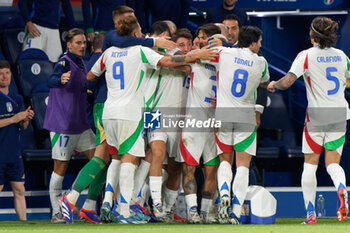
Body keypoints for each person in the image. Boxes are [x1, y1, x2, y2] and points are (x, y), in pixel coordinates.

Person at [76, 16, 216, 224]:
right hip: (150, 111)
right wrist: (195, 55)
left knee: (144, 160)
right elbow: (172, 63)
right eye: (176, 41)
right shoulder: (149, 52)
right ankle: (133, 204)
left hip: (167, 115)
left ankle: (119, 203)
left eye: (187, 44)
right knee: (148, 155)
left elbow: (89, 76)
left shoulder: (112, 52)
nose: (183, 47)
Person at [267, 16, 350, 224]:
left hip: (317, 116)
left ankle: (311, 214)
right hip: (340, 113)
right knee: (332, 163)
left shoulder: (306, 55)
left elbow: (287, 82)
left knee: (310, 165)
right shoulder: (342, 56)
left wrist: (273, 84)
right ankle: (341, 188)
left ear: (313, 35)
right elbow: (348, 81)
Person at [215, 26, 269, 224]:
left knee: (224, 162)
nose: (261, 45)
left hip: (223, 113)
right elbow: (264, 82)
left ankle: (223, 196)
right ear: (253, 43)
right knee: (243, 166)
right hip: (245, 116)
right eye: (260, 42)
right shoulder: (261, 62)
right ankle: (236, 211)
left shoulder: (224, 53)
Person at [44, 28, 96, 224]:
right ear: (69, 44)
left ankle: (70, 196)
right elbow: (51, 79)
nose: (83, 46)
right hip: (62, 125)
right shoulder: (64, 61)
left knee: (98, 160)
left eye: (84, 42)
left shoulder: (82, 62)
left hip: (80, 123)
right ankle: (56, 211)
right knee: (60, 167)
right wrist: (60, 79)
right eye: (78, 43)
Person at [177, 24, 222, 223]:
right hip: (195, 120)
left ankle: (206, 212)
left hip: (216, 121)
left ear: (214, 39)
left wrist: (222, 99)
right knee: (189, 167)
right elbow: (172, 61)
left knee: (212, 169)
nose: (200, 41)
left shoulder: (227, 58)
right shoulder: (195, 56)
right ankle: (192, 212)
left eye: (205, 38)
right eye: (200, 37)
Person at [0, 60, 34, 221]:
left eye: (7, 73)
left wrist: (25, 119)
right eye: (0, 73)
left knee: (19, 189)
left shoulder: (17, 97)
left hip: (14, 152)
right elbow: (13, 120)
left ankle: (23, 222)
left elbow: (22, 127)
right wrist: (14, 118)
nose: (4, 76)